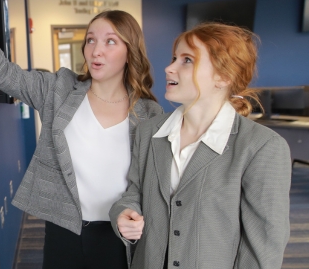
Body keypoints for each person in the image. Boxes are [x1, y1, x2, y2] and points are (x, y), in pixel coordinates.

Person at [0, 0, 162, 268]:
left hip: (117, 235)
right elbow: (1, 73)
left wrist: (136, 213)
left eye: (111, 41)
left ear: (130, 50)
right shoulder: (59, 89)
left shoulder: (149, 114)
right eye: (90, 40)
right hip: (63, 229)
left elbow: (148, 182)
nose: (96, 50)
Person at [110, 23, 291, 268]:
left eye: (187, 60)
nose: (169, 68)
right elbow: (134, 193)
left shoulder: (262, 146)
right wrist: (123, 212)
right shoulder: (149, 131)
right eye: (174, 58)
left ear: (224, 77)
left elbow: (264, 247)